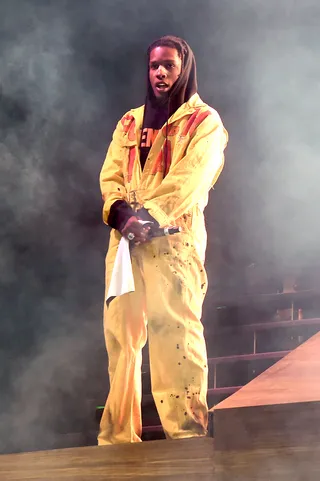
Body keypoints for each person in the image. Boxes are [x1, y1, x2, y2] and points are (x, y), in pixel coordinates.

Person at [98, 35, 228, 445]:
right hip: (126, 244)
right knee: (121, 336)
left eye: (169, 65)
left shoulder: (203, 122)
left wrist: (148, 217)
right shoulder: (129, 122)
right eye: (154, 66)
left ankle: (187, 435)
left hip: (172, 241)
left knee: (175, 331)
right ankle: (118, 438)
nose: (160, 73)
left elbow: (192, 178)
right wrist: (121, 214)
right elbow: (112, 175)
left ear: (184, 68)